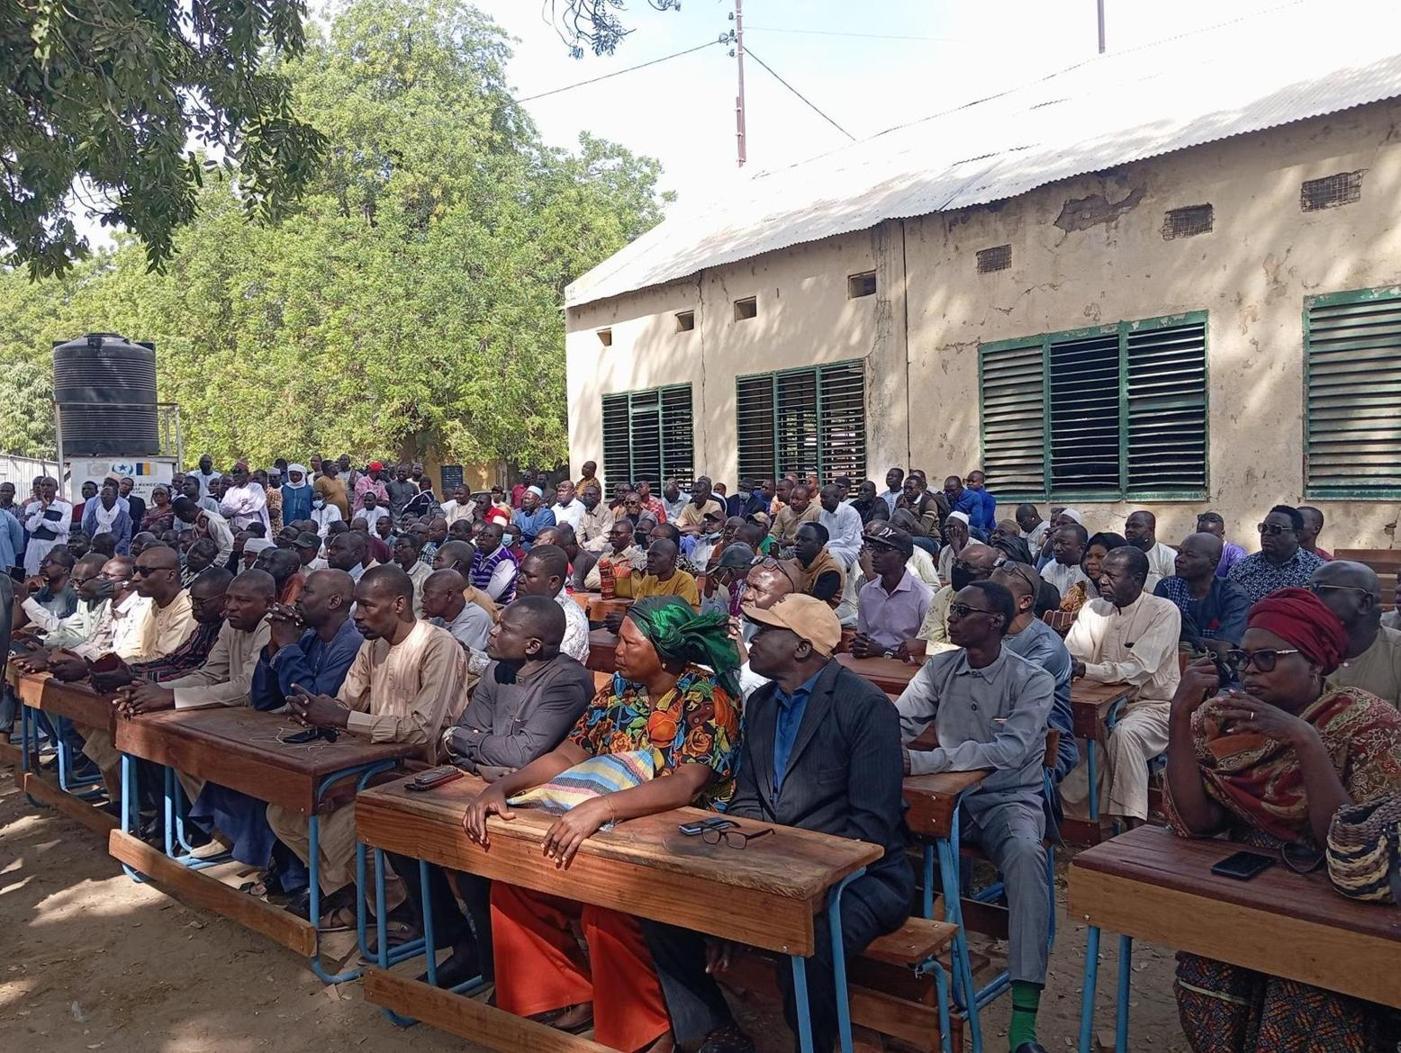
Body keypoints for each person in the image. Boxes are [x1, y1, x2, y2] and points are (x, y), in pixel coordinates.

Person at [464, 597, 741, 1053]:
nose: (616, 649)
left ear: (664, 652)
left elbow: (686, 783)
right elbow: (570, 753)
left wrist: (603, 808)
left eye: (630, 642)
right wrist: (505, 787)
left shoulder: (706, 697)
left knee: (606, 906)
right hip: (609, 833)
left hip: (678, 845)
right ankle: (561, 997)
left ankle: (646, 1028)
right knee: (515, 882)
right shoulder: (619, 690)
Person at [645, 594, 912, 1053]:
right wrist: (744, 881)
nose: (753, 639)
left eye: (766, 631)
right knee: (666, 906)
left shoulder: (865, 707)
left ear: (803, 649)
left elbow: (871, 828)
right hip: (771, 865)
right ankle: (713, 1027)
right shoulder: (765, 703)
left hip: (860, 878)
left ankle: (817, 1044)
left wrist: (785, 882)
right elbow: (749, 799)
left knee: (808, 941)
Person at [1165, 589, 1401, 1052]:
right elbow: (1196, 822)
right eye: (1243, 658)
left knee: (1302, 1000)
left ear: (1316, 663)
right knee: (1205, 979)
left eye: (1268, 658)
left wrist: (1303, 738)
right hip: (1252, 885)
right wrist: (1180, 713)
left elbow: (1348, 848)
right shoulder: (1225, 719)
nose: (1250, 671)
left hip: (1345, 901)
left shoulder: (1369, 724)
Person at [402, 596, 596, 988]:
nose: (492, 631)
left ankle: (501, 972)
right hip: (482, 783)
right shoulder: (496, 670)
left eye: (504, 627)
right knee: (403, 835)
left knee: (476, 862)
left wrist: (471, 745)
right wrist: (479, 755)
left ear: (533, 646)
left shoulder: (567, 680)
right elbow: (459, 734)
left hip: (537, 800)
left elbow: (525, 755)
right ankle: (462, 944)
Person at [894, 580, 1054, 1053]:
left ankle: (1024, 1022)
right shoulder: (940, 667)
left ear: (996, 622)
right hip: (946, 801)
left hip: (1006, 800)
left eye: (965, 611)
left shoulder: (1031, 678)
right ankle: (901, 976)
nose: (953, 616)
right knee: (873, 835)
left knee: (1027, 858)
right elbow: (900, 722)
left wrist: (925, 762)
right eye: (954, 608)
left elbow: (1011, 751)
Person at [268, 565, 469, 928]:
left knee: (340, 825)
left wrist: (342, 719)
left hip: (424, 770)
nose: (357, 615)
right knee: (283, 812)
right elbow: (345, 701)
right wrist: (315, 712)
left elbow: (423, 732)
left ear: (399, 604)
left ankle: (394, 907)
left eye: (366, 606)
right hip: (372, 761)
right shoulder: (372, 645)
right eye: (356, 606)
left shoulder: (438, 646)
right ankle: (353, 893)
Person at [1065, 547, 1181, 826]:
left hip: (1151, 707)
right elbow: (1072, 655)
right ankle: (1081, 823)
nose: (1102, 580)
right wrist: (1075, 667)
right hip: (1100, 704)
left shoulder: (1163, 611)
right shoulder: (1093, 608)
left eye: (1112, 575)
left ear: (1137, 579)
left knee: (1125, 734)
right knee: (1065, 734)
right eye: (1102, 573)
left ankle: (1132, 824)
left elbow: (1138, 669)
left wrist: (1085, 670)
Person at [991, 564, 1079, 782]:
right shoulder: (991, 630)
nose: (986, 600)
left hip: (1046, 746)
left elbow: (1003, 692)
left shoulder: (1045, 646)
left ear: (1025, 601)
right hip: (998, 734)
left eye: (996, 594)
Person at [258, 568, 364, 713]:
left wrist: (287, 646)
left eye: (307, 591)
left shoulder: (352, 645)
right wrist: (274, 644)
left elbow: (312, 706)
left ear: (334, 601)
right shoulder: (309, 637)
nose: (298, 598)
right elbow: (263, 700)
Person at [1310, 561, 1401, 708]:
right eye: (1309, 589)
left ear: (1364, 602)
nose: (1310, 598)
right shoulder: (1303, 651)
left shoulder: (1396, 653)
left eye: (1322, 590)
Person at [1154, 533, 1250, 650]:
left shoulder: (1233, 595)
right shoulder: (1167, 587)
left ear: (1213, 563)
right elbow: (1154, 636)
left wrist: (1182, 638)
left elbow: (1224, 648)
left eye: (1190, 555)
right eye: (1179, 553)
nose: (1179, 559)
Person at [853, 523, 931, 659]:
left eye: (883, 549)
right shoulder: (866, 591)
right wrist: (860, 645)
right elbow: (863, 636)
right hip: (871, 662)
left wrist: (884, 652)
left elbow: (930, 648)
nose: (875, 555)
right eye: (874, 549)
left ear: (902, 556)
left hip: (907, 667)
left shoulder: (923, 596)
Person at [1227, 505, 1327, 604]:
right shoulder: (1242, 569)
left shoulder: (1317, 571)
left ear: (1297, 535)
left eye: (1275, 529)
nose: (1267, 533)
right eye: (1264, 528)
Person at [919, 541, 1000, 654]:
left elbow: (986, 652)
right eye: (956, 562)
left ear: (989, 574)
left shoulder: (999, 603)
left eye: (967, 566)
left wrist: (930, 648)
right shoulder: (945, 594)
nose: (957, 569)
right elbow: (927, 639)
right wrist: (929, 647)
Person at [516, 544, 590, 664]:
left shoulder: (570, 621)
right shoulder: (525, 604)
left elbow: (548, 670)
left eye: (529, 576)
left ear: (553, 581)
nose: (520, 579)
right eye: (520, 573)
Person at [609, 538, 700, 618]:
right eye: (649, 555)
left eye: (656, 556)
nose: (649, 560)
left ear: (672, 559)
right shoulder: (648, 579)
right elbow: (637, 608)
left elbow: (675, 616)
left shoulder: (685, 580)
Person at [421, 568, 492, 652]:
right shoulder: (439, 618)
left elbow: (449, 655)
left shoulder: (475, 617)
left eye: (428, 594)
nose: (423, 599)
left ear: (449, 595)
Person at [22, 477, 73, 576]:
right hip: (34, 552)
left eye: (49, 485)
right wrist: (43, 509)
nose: (45, 488)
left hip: (53, 551)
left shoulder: (65, 506)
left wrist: (41, 520)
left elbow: (63, 528)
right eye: (43, 485)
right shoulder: (32, 507)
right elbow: (31, 527)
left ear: (56, 488)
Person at [790, 522, 846, 610]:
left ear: (820, 544)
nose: (798, 543)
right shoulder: (793, 563)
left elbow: (814, 602)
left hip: (821, 616)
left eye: (805, 540)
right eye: (797, 538)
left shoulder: (830, 570)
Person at [468, 522, 519, 604]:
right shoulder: (478, 554)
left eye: (488, 536)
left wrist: (467, 595)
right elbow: (470, 580)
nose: (481, 538)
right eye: (480, 535)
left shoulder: (505, 561)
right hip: (475, 601)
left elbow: (490, 596)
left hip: (497, 607)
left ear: (498, 540)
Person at [817, 482, 863, 567]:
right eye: (821, 497)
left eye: (825, 497)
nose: (822, 500)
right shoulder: (823, 513)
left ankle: (839, 579)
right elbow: (821, 535)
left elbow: (846, 540)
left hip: (851, 550)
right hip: (829, 548)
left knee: (832, 553)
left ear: (837, 497)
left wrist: (824, 546)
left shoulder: (849, 512)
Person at [1040, 522, 1091, 599]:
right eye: (1055, 543)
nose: (1056, 548)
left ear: (1081, 548)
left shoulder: (1091, 570)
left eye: (1064, 543)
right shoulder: (1051, 567)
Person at [1123, 510, 1176, 581]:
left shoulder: (1169, 557)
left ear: (1150, 530)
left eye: (1135, 526)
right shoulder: (1122, 555)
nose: (1129, 530)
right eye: (1127, 526)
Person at [1195, 511, 1247, 579]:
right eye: (1201, 536)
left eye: (1210, 536)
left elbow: (1234, 583)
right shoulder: (1194, 552)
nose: (1205, 540)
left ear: (1222, 533)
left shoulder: (1235, 554)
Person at [390, 531, 431, 617]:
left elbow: (429, 607)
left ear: (415, 550)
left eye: (402, 547)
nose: (397, 550)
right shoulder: (392, 569)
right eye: (395, 546)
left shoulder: (427, 574)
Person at [219, 462, 270, 532]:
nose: (236, 475)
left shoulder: (256, 488)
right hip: (234, 527)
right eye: (234, 472)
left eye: (239, 472)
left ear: (247, 475)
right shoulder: (230, 491)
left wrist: (232, 511)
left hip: (253, 526)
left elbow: (253, 507)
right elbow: (223, 511)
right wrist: (239, 505)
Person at [768, 483, 819, 549]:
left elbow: (816, 537)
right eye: (792, 498)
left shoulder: (816, 511)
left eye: (798, 499)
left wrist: (790, 542)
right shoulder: (783, 511)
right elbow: (774, 532)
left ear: (807, 499)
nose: (793, 502)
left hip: (806, 549)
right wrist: (772, 540)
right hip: (785, 548)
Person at [576, 481, 614, 554]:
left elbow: (605, 537)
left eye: (590, 495)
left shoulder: (606, 512)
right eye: (585, 495)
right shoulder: (584, 513)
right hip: (588, 549)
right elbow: (580, 535)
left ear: (599, 496)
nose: (587, 497)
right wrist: (579, 546)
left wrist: (586, 545)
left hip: (603, 548)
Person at [938, 510, 970, 584]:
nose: (947, 530)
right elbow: (941, 577)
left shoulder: (977, 547)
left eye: (951, 527)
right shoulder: (945, 550)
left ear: (964, 528)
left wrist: (956, 550)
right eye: (946, 527)